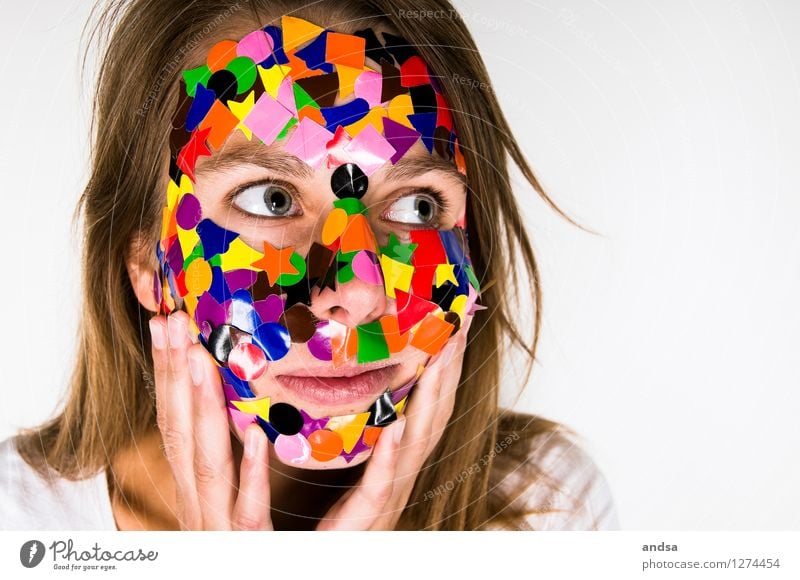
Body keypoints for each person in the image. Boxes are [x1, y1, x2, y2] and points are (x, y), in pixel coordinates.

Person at [0, 0, 619, 531]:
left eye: (414, 204)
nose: (354, 291)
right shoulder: (18, 522)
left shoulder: (543, 508)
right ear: (147, 262)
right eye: (271, 199)